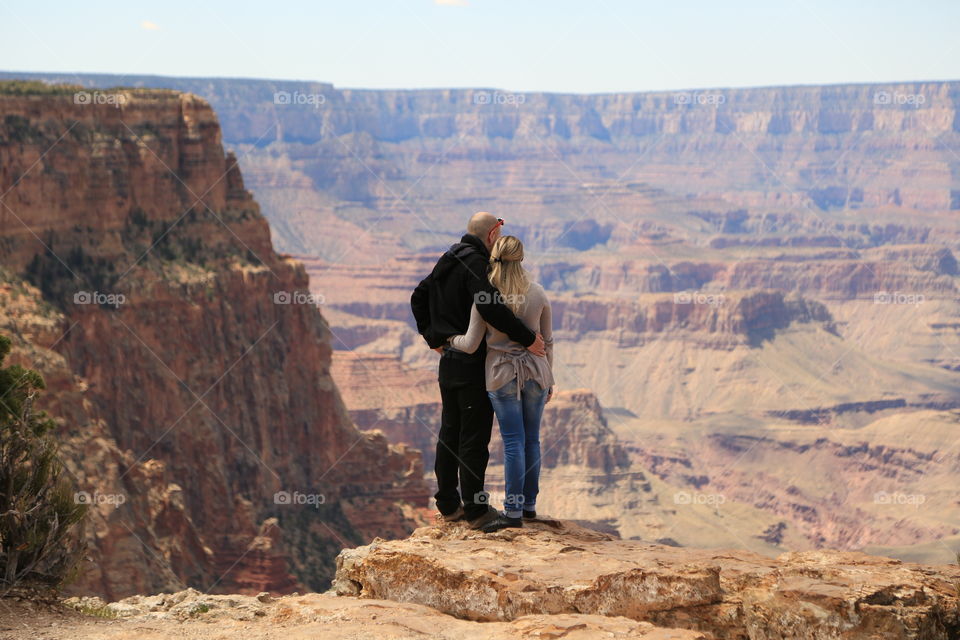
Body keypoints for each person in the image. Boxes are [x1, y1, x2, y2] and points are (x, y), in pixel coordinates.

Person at [410, 213, 546, 532]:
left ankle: (447, 502)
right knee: (473, 437)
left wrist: (433, 338)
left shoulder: (449, 257)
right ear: (493, 233)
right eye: (499, 232)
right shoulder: (477, 264)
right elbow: (489, 306)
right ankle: (475, 510)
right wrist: (528, 339)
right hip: (471, 364)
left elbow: (419, 296)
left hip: (449, 360)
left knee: (449, 432)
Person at [447, 235, 553, 532]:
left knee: (513, 442)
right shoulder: (538, 293)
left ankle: (513, 512)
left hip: (501, 374)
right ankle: (529, 506)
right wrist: (550, 376)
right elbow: (548, 341)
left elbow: (469, 344)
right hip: (537, 372)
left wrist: (447, 339)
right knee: (532, 439)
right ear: (521, 258)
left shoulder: (485, 297)